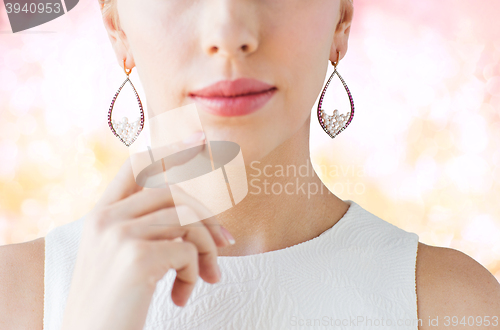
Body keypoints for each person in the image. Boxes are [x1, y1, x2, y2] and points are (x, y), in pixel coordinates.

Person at [1, 0, 499, 329]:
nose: (230, 33)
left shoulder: (454, 306)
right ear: (117, 28)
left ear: (341, 20)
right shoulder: (15, 298)